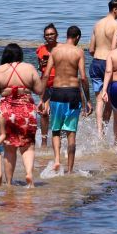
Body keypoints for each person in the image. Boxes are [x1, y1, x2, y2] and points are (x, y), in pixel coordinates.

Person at [0, 43, 44, 188]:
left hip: (7, 111)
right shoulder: (29, 68)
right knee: (28, 146)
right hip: (27, 109)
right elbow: (39, 90)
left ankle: (8, 182)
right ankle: (29, 175)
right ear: (20, 55)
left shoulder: (0, 70)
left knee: (9, 148)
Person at [42, 25, 91, 173]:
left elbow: (46, 75)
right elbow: (83, 77)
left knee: (56, 130)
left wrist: (41, 98)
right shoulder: (79, 52)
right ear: (77, 38)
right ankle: (70, 170)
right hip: (72, 94)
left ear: (66, 35)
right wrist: (87, 100)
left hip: (56, 92)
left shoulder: (55, 51)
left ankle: (57, 159)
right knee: (71, 134)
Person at [89, 0, 117, 138]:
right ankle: (105, 126)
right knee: (109, 100)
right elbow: (113, 48)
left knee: (98, 100)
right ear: (115, 9)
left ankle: (99, 132)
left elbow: (91, 49)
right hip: (108, 63)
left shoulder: (97, 24)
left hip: (96, 62)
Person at [35, 23, 59, 147]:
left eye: (52, 34)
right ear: (44, 37)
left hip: (60, 84)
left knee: (57, 112)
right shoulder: (40, 49)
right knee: (44, 113)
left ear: (57, 35)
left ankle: (58, 139)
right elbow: (40, 68)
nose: (49, 36)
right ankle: (44, 142)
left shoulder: (61, 48)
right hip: (45, 85)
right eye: (47, 35)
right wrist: (42, 64)